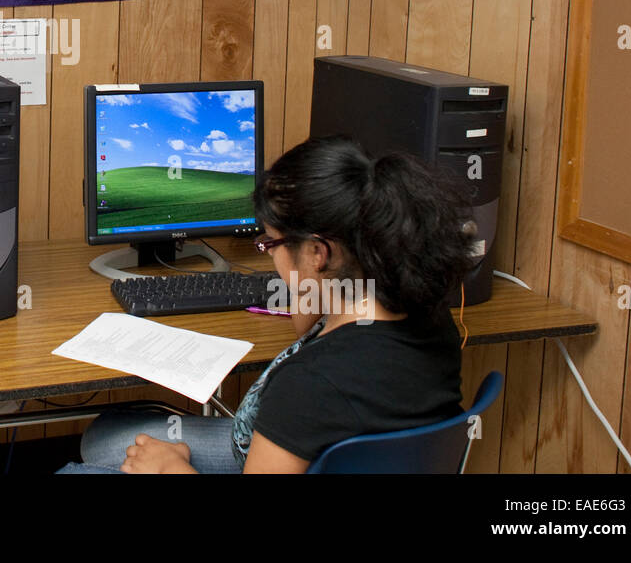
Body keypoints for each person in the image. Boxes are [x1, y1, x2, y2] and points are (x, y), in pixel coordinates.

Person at [59, 135, 477, 474]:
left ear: (319, 252)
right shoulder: (430, 316)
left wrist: (172, 470)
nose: (268, 257)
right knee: (104, 440)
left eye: (271, 244)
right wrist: (314, 279)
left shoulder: (308, 386)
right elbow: (309, 334)